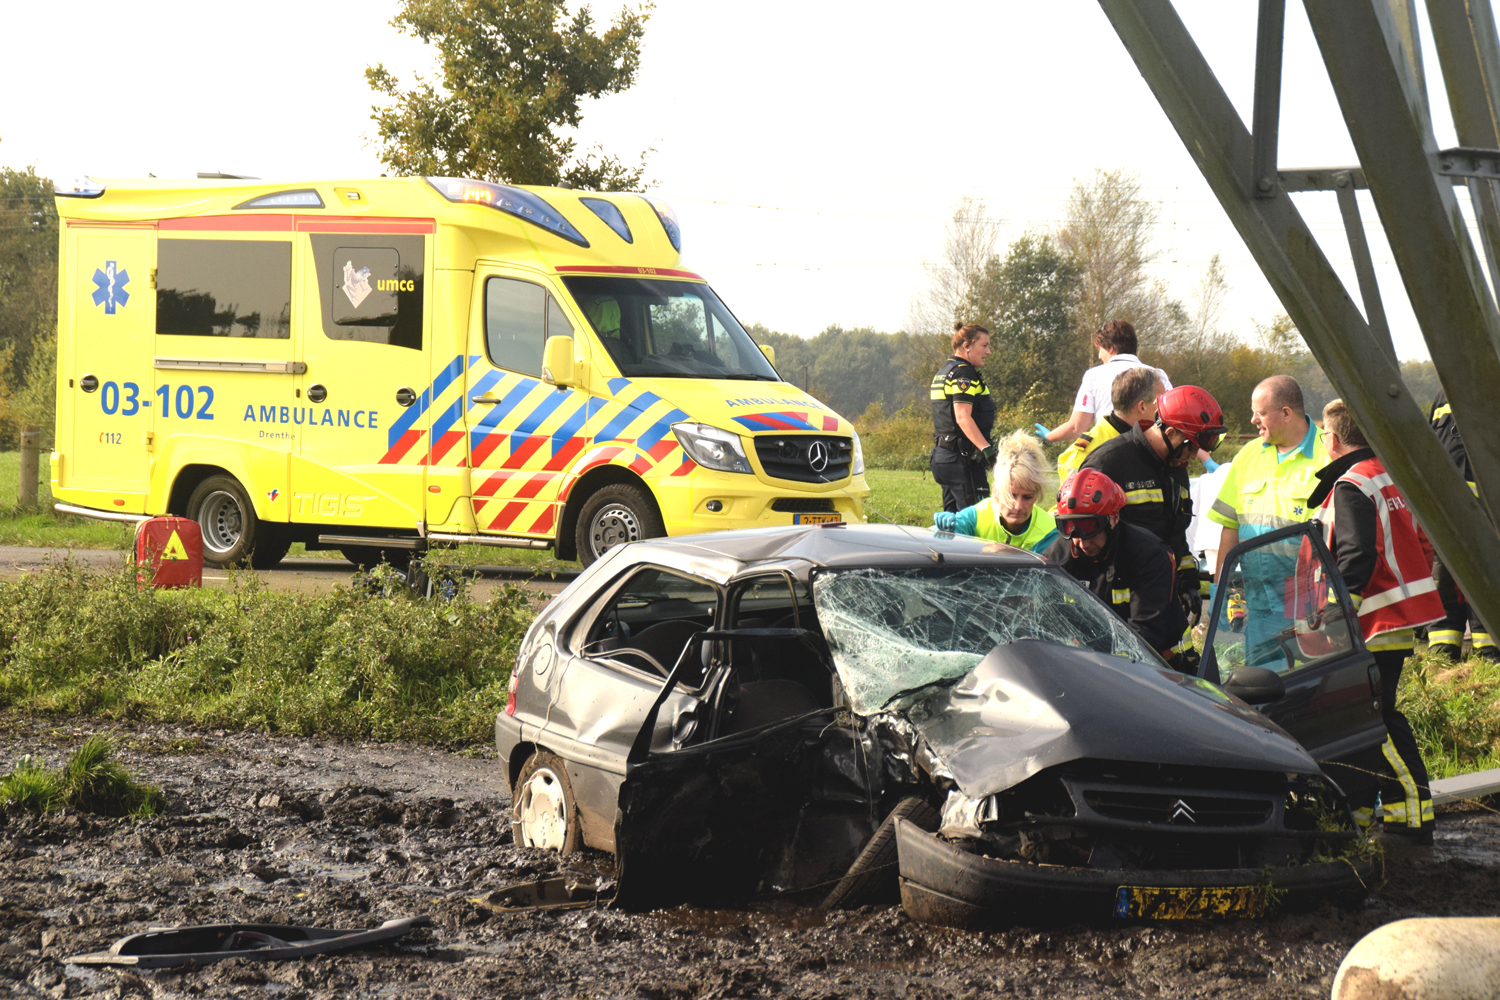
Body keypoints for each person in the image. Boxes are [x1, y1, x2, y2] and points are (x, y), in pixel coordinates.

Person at [1308, 399, 1442, 843]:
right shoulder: (1388, 475)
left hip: (1370, 624)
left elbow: (1356, 558)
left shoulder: (1351, 484)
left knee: (1375, 720)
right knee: (1368, 720)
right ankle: (1364, 813)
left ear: (1333, 438)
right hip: (1397, 618)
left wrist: (1336, 616)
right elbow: (1423, 546)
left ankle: (1412, 811)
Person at [1083, 385, 1227, 625]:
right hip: (1117, 611)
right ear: (1170, 433)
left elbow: (1176, 533)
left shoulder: (1175, 468)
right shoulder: (1108, 463)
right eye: (1190, 446)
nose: (1193, 456)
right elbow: (1084, 540)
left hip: (1164, 602)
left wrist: (1189, 582)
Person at [1042, 469, 1193, 669]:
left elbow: (1145, 636)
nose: (1082, 544)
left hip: (1164, 669)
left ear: (1113, 519)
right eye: (1071, 528)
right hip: (1085, 666)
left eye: (1090, 529)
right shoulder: (1055, 560)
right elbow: (1043, 622)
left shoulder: (1149, 555)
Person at [1425, 390, 1497, 661]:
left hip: (1489, 515)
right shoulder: (1442, 396)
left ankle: (1489, 654)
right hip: (1447, 513)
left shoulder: (1487, 382)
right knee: (1444, 581)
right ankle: (1442, 653)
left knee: (1486, 580)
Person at [1039, 320, 1171, 444]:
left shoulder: (1094, 375)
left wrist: (1049, 436)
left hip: (1109, 453)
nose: (1099, 356)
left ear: (1110, 347)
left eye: (1100, 349)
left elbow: (1076, 427)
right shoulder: (1159, 375)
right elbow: (1172, 416)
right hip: (1150, 453)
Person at [932, 430, 1059, 551]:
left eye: (1027, 497)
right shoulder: (975, 517)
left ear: (1036, 495)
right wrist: (945, 533)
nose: (1019, 506)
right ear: (996, 492)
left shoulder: (1049, 531)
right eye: (1011, 496)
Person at [929, 322, 996, 512]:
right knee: (976, 520)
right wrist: (987, 449)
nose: (988, 351)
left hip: (943, 457)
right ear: (966, 346)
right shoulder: (963, 373)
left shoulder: (945, 370)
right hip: (962, 459)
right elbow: (962, 416)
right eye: (984, 345)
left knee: (951, 525)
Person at [1056, 366, 1162, 484]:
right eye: (1161, 402)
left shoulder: (1154, 442)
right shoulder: (1083, 456)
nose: (1166, 408)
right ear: (1142, 407)